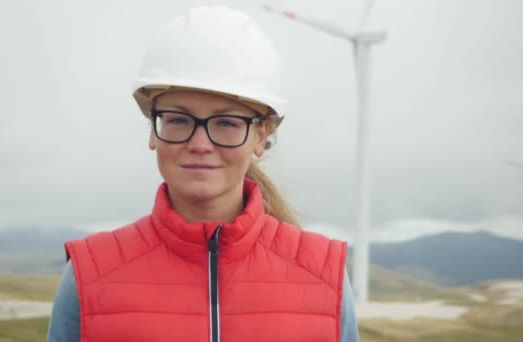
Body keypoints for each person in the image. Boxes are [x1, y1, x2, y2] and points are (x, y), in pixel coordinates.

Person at [47, 5, 359, 342]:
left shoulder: (327, 278)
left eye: (226, 123)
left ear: (262, 135)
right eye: (179, 119)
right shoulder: (86, 276)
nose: (199, 143)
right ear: (153, 130)